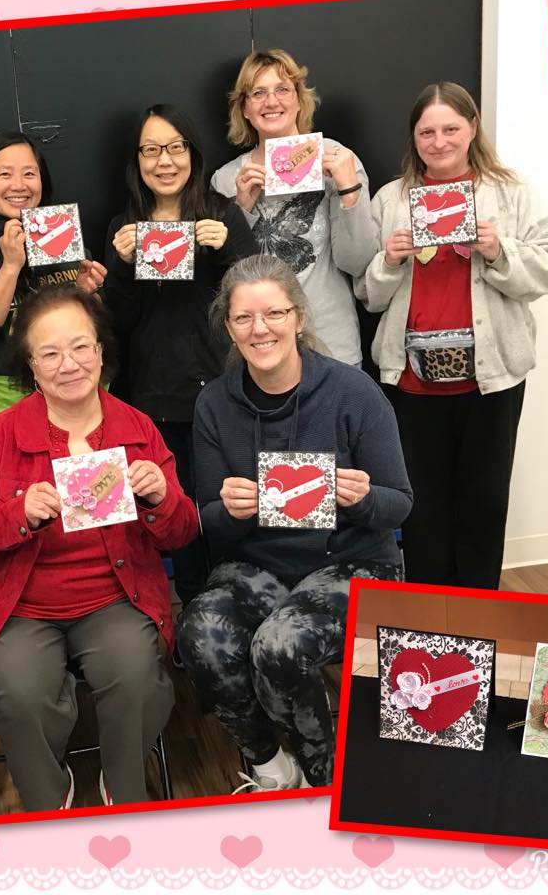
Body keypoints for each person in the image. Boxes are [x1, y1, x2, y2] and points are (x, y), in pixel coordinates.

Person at [0, 284, 198, 811]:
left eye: (80, 347)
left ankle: (121, 787)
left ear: (101, 352)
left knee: (138, 676)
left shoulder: (137, 428)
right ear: (30, 367)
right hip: (21, 603)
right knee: (19, 690)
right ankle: (48, 802)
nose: (69, 364)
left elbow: (183, 532)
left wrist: (159, 498)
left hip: (113, 598)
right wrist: (18, 512)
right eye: (49, 353)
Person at [178, 255, 412, 790]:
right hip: (259, 563)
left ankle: (323, 773)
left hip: (353, 561)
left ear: (300, 318)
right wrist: (228, 510)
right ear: (229, 328)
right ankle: (268, 764)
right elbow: (210, 521)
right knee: (199, 635)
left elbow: (399, 503)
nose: (260, 329)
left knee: (278, 647)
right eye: (243, 318)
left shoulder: (353, 392)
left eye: (274, 313)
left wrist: (362, 498)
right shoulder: (214, 403)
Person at [356, 82, 548, 589]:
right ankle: (429, 609)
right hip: (410, 383)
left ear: (472, 127)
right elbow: (368, 295)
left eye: (450, 128)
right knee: (422, 505)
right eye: (426, 131)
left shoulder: (511, 192)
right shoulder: (392, 199)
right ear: (414, 137)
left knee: (485, 500)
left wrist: (500, 251)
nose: (439, 141)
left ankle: (477, 608)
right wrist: (388, 261)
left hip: (490, 383)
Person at [103, 104, 254, 606]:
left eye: (175, 147)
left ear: (192, 153)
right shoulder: (124, 227)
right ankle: (192, 610)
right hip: (154, 397)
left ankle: (237, 602)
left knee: (229, 505)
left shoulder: (223, 214)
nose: (163, 161)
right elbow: (117, 324)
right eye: (151, 149)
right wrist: (122, 267)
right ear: (137, 160)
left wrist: (229, 250)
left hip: (223, 392)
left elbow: (257, 303)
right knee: (176, 512)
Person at [211, 49, 375, 364]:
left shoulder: (338, 158)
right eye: (258, 93)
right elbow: (223, 278)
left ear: (300, 100)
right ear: (245, 108)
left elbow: (359, 263)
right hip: (259, 349)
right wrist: (240, 209)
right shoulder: (226, 179)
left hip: (332, 346)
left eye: (283, 89)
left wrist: (348, 190)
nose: (272, 102)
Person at [0, 131, 106, 434]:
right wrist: (11, 266)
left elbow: (99, 327)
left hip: (76, 392)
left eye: (29, 173)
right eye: (5, 174)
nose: (19, 185)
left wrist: (85, 293)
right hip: (7, 401)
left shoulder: (63, 235)